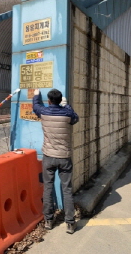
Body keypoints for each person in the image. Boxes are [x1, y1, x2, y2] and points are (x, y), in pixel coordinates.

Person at [32, 88, 79, 234]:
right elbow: (75, 118)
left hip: (49, 157)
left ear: (49, 101)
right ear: (60, 100)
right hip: (64, 157)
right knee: (67, 189)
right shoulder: (67, 113)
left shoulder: (44, 112)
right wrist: (66, 105)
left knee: (48, 187)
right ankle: (70, 223)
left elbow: (35, 106)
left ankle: (49, 221)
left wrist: (36, 94)